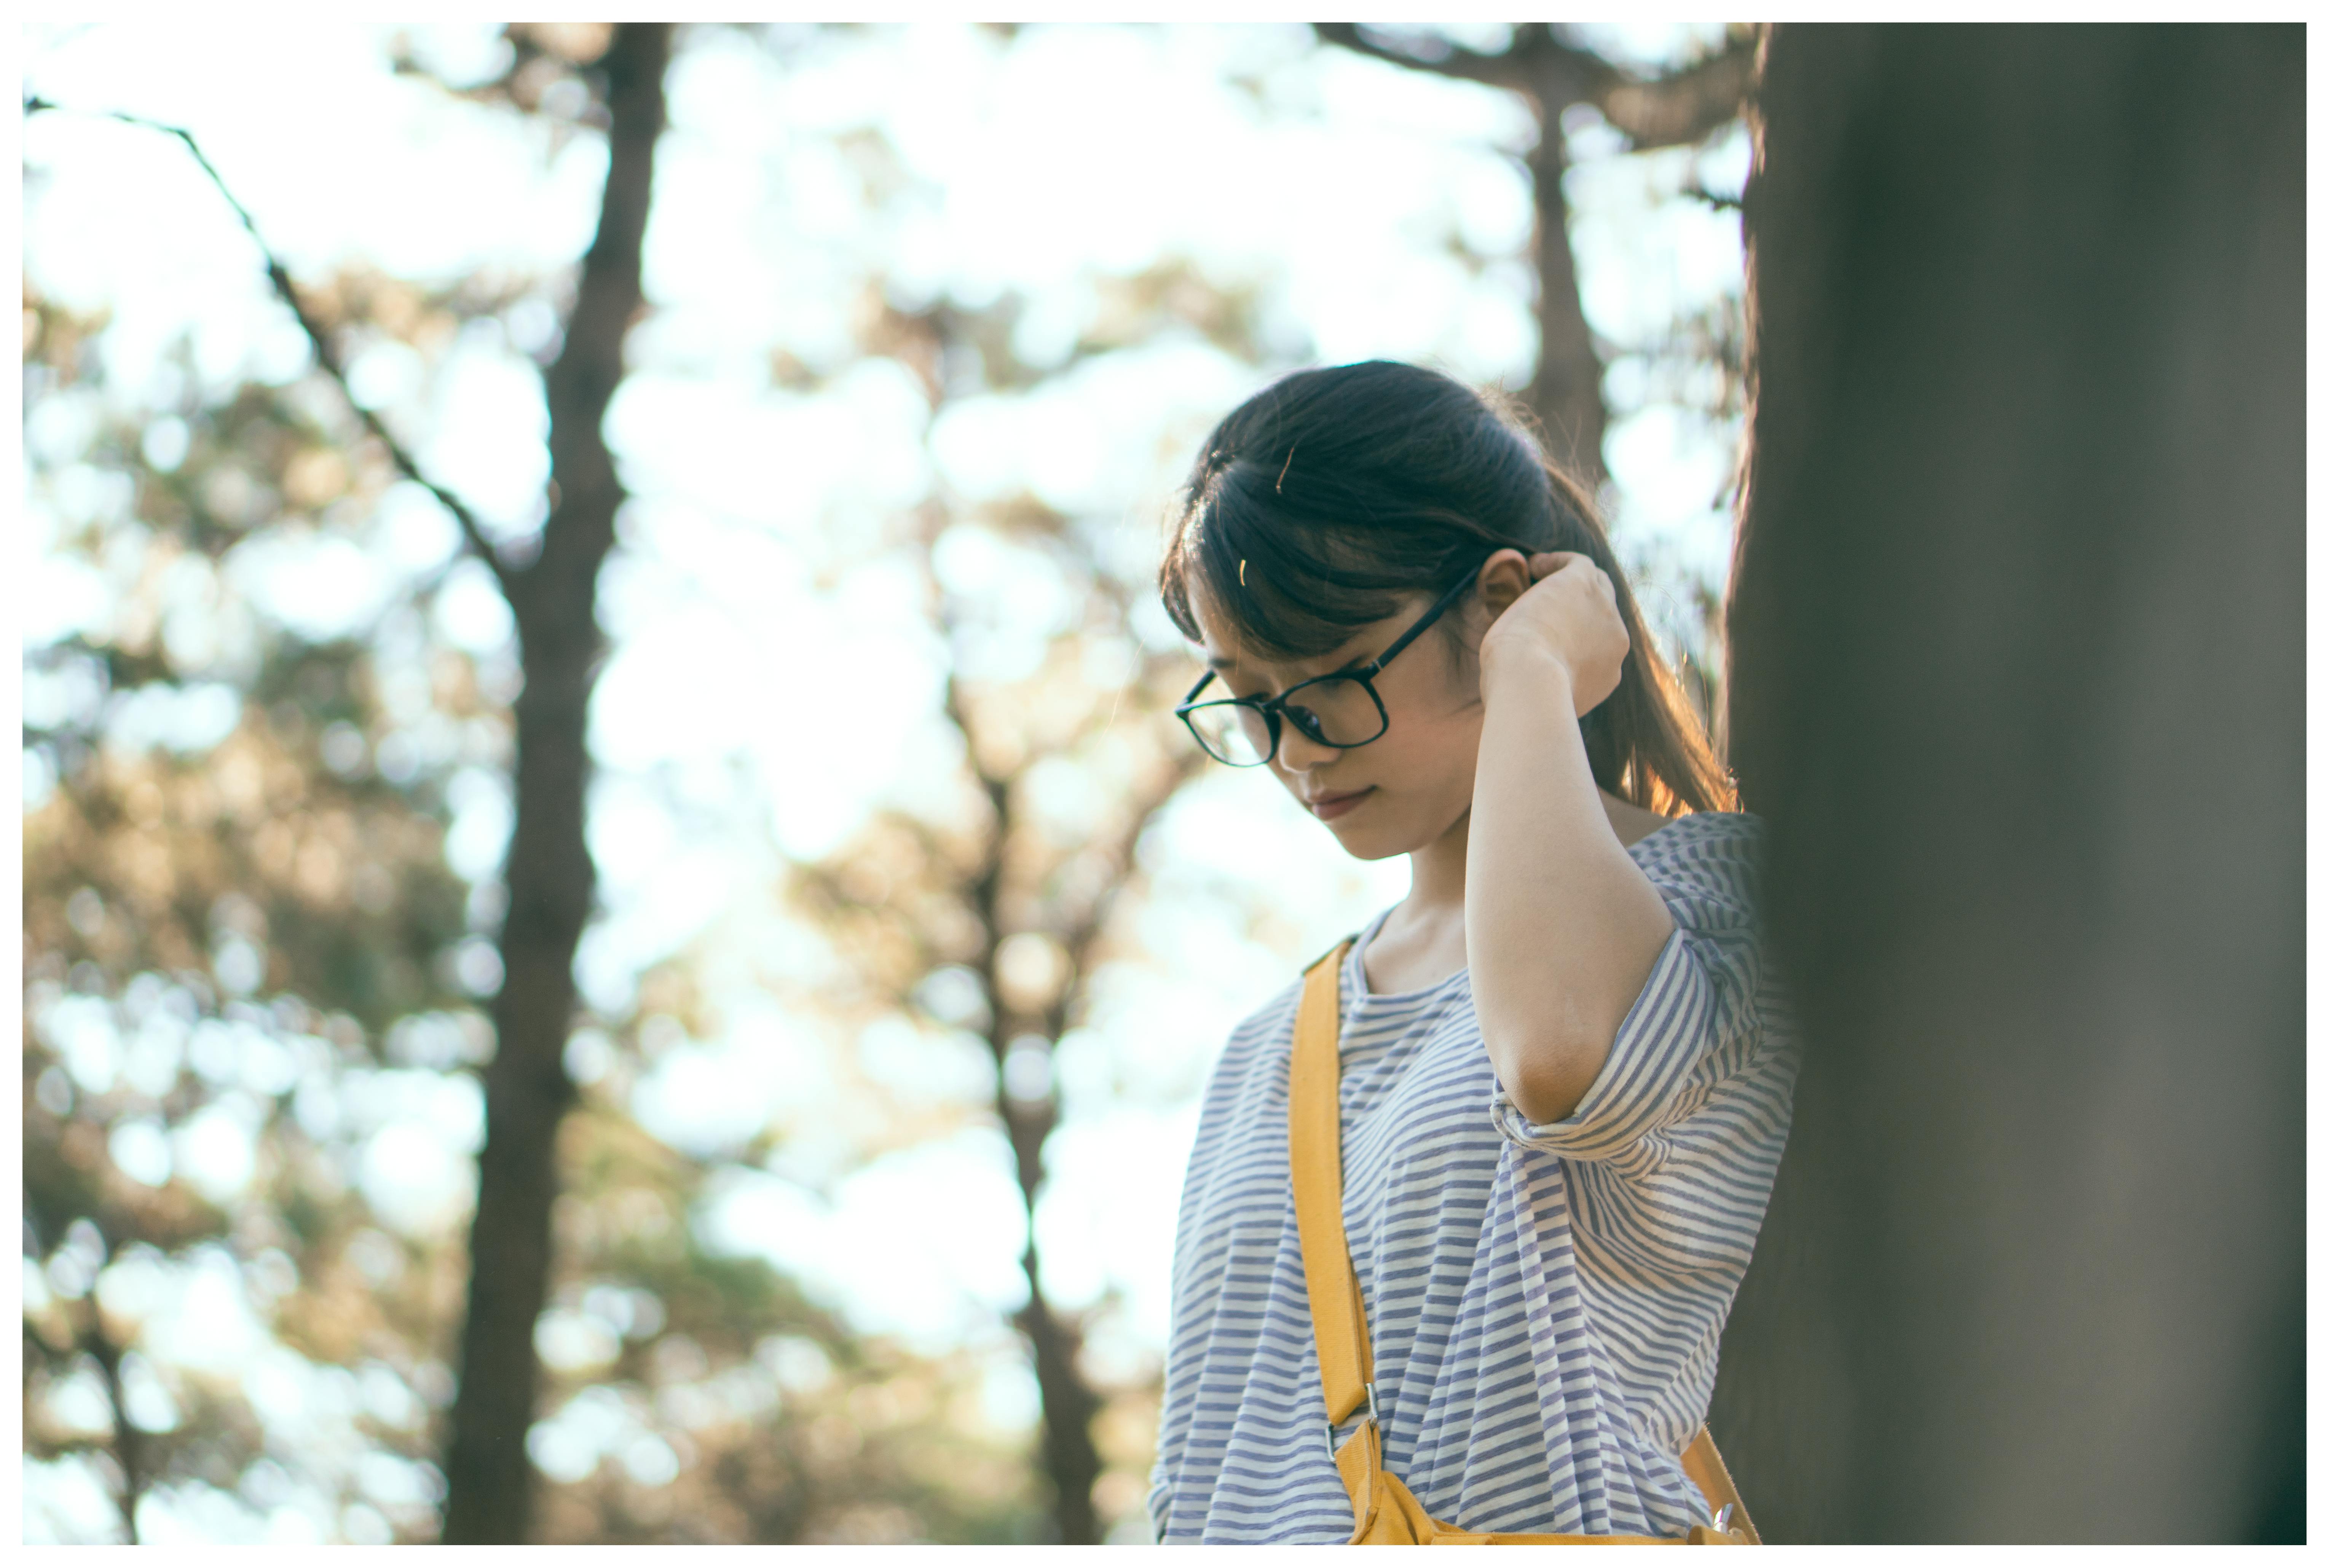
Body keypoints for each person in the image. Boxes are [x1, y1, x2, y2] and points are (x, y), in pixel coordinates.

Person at [1144, 361, 1797, 1543]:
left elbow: (1558, 1054)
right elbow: (1199, 1474)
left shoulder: (1721, 899)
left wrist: (1536, 672)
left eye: (1331, 681)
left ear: (1501, 601)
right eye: (1249, 700)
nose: (1296, 750)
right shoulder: (1267, 1049)